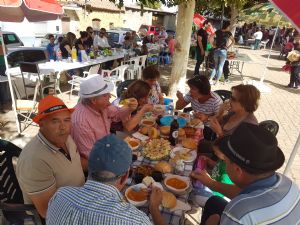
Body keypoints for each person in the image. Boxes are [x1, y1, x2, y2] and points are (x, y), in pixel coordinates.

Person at [46, 134, 167, 225]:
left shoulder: (60, 195)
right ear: (125, 176)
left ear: (89, 166)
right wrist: (154, 208)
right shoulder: (135, 220)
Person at [195, 123, 300, 225]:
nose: (224, 164)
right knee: (215, 202)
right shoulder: (288, 183)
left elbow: (241, 212)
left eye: (225, 161)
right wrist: (211, 183)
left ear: (237, 170)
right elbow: (242, 192)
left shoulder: (239, 212)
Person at [16, 96, 85, 219]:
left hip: (81, 197)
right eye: (55, 121)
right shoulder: (34, 162)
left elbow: (74, 162)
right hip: (65, 213)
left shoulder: (64, 137)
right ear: (41, 125)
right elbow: (48, 211)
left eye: (67, 120)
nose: (63, 127)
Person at [71, 74, 138, 171]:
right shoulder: (80, 122)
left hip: (105, 150)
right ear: (94, 100)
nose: (110, 96)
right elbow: (91, 155)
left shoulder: (102, 106)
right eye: (106, 95)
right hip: (94, 165)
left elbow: (117, 114)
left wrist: (129, 108)